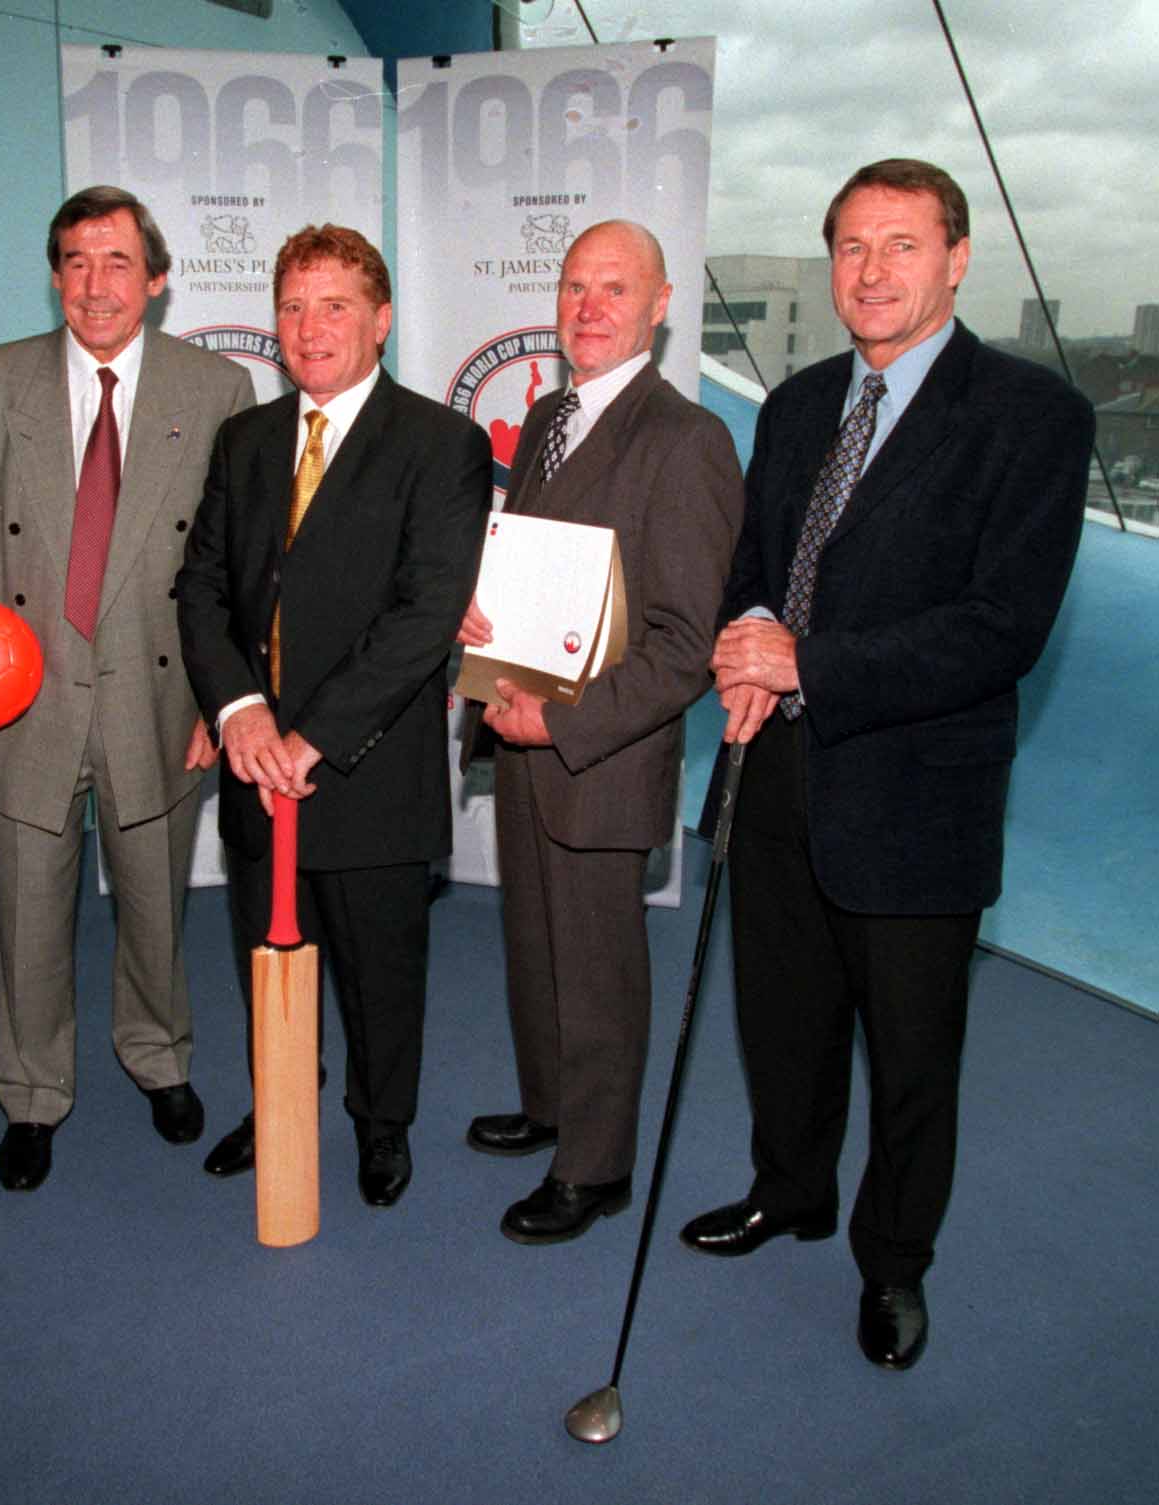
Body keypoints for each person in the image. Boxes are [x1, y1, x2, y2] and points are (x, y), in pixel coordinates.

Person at [680, 159, 1095, 1370]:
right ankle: (789, 1188)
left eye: (900, 245)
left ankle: (894, 1261)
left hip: (915, 795)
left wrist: (803, 658)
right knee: (783, 1017)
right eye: (850, 247)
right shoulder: (799, 401)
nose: (871, 271)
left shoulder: (1031, 417)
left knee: (911, 1052)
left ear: (957, 258)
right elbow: (757, 562)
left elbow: (998, 624)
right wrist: (748, 644)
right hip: (774, 771)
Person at [0, 187, 254, 1192]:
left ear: (156, 279)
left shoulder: (214, 389)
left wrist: (231, 703)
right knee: (28, 917)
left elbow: (236, 566)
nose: (96, 284)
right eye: (76, 262)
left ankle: (158, 1055)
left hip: (160, 699)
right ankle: (32, 1091)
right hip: (18, 698)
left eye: (118, 261)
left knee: (153, 907)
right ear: (54, 276)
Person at [176, 225, 491, 1208]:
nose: (310, 328)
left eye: (335, 305)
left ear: (381, 318)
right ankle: (281, 1095)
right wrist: (236, 711)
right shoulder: (246, 439)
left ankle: (379, 1119)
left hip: (365, 770)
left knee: (378, 968)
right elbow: (201, 587)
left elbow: (426, 611)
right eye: (293, 306)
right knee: (268, 954)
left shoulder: (443, 444)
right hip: (252, 758)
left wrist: (310, 736)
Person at [458, 221, 745, 1243]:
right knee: (533, 942)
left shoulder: (686, 441)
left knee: (595, 962)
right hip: (522, 728)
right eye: (574, 286)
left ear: (660, 304)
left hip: (600, 750)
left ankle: (596, 1164)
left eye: (612, 289)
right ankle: (550, 1106)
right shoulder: (544, 418)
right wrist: (476, 618)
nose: (586, 308)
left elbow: (683, 641)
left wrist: (564, 719)